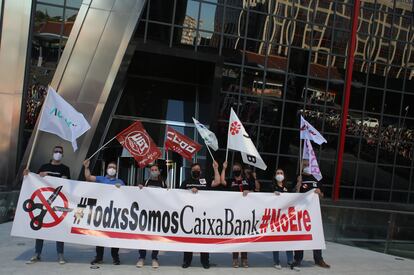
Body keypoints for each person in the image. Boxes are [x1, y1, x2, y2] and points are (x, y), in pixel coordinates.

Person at [24, 145, 70, 265]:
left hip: (58, 201)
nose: (58, 153)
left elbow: (68, 185)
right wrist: (28, 174)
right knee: (40, 228)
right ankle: (37, 253)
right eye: (56, 151)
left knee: (59, 228)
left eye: (60, 152)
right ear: (52, 153)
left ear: (63, 154)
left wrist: (64, 179)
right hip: (44, 199)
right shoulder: (44, 167)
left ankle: (60, 254)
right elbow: (34, 180)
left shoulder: (65, 168)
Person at [83, 159, 125, 265]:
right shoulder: (100, 179)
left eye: (114, 168)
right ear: (106, 169)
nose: (112, 169)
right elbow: (88, 178)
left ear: (116, 170)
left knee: (114, 236)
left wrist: (121, 189)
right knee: (100, 235)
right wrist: (86, 167)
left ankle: (115, 257)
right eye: (110, 167)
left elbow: (126, 195)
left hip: (114, 212)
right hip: (101, 211)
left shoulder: (120, 182)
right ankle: (99, 257)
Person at [180, 161, 221, 269]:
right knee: (189, 239)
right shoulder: (185, 182)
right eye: (194, 170)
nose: (196, 172)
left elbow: (217, 182)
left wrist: (216, 168)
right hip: (189, 215)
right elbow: (178, 196)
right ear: (190, 171)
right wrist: (189, 191)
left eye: (198, 170)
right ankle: (187, 261)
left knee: (204, 238)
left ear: (201, 171)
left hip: (204, 216)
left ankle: (205, 261)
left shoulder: (205, 181)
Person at [293, 159, 330, 269]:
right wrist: (298, 185)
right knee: (300, 235)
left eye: (308, 164)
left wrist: (319, 192)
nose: (306, 166)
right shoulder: (298, 177)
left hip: (314, 212)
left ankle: (318, 259)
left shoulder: (317, 178)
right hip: (301, 212)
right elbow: (292, 194)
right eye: (304, 164)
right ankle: (298, 259)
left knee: (316, 234)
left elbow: (322, 195)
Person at [221, 161, 254, 268]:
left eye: (237, 169)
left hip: (246, 213)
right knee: (235, 236)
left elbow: (256, 191)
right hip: (234, 213)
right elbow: (222, 181)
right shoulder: (231, 181)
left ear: (241, 170)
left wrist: (249, 192)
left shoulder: (246, 181)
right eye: (234, 169)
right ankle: (235, 259)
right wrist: (224, 168)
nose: (236, 171)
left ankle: (244, 259)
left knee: (245, 236)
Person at [136, 164, 166, 268]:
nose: (154, 171)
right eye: (152, 170)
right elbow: (138, 195)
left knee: (155, 237)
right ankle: (142, 257)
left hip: (157, 215)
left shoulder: (163, 183)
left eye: (155, 170)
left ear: (159, 171)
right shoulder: (145, 182)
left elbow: (167, 197)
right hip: (145, 214)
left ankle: (154, 258)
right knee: (143, 236)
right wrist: (139, 188)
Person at [271, 168, 300, 271]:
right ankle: (276, 261)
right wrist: (273, 194)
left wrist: (298, 185)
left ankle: (290, 261)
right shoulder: (272, 186)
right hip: (275, 217)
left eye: (281, 173)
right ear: (275, 175)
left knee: (288, 239)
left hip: (286, 217)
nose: (280, 174)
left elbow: (294, 196)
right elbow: (266, 198)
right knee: (276, 240)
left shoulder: (287, 187)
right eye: (278, 173)